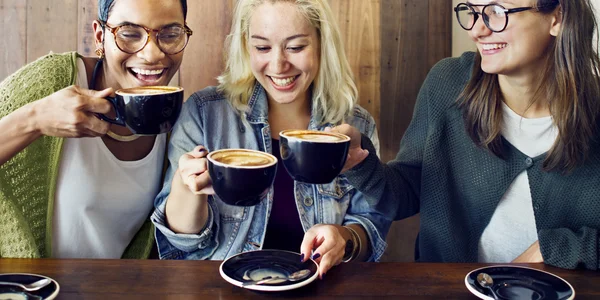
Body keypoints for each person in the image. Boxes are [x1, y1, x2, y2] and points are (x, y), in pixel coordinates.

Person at [334, 0, 600, 270]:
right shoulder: (446, 84)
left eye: (497, 11)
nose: (476, 30)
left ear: (557, 17)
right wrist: (360, 164)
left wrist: (555, 248)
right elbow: (405, 194)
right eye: (472, 11)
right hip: (448, 290)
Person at [152, 0, 391, 277]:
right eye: (262, 47)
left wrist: (344, 238)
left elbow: (371, 225)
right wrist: (187, 186)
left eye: (296, 47)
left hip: (321, 288)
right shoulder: (205, 113)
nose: (279, 65)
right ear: (245, 46)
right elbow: (181, 242)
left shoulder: (355, 125)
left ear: (322, 44)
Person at [0, 0, 191, 259]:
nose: (152, 54)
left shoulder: (173, 119)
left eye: (169, 35)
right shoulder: (55, 79)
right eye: (129, 34)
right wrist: (35, 119)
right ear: (100, 37)